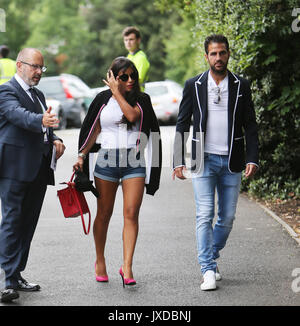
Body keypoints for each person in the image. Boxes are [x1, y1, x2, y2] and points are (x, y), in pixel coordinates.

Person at [173, 34, 259, 291]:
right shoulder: (194, 85)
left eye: (222, 53)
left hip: (232, 160)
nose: (218, 58)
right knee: (204, 214)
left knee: (228, 217)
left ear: (228, 54)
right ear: (206, 56)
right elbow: (182, 122)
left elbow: (250, 125)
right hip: (203, 159)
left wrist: (253, 157)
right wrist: (178, 159)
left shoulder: (241, 85)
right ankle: (207, 269)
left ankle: (210, 255)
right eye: (213, 54)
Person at [73, 57, 161, 287]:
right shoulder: (102, 99)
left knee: (131, 213)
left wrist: (117, 91)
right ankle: (100, 259)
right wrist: (81, 155)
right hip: (107, 160)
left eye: (133, 76)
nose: (130, 80)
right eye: (124, 77)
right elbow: (93, 129)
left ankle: (127, 266)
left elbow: (132, 116)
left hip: (134, 160)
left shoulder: (142, 99)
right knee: (104, 213)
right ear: (113, 76)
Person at [0, 48, 66, 303]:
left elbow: (45, 127)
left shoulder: (38, 94)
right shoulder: (6, 91)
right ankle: (8, 281)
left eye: (42, 68)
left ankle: (16, 274)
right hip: (13, 169)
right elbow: (18, 115)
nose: (39, 72)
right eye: (34, 67)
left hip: (38, 168)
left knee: (27, 224)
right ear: (19, 65)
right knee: (12, 221)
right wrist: (42, 120)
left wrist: (57, 138)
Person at [123, 26, 150, 91]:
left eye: (131, 39)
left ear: (138, 40)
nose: (128, 43)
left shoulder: (141, 58)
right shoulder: (128, 57)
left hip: (137, 97)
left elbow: (138, 80)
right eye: (126, 40)